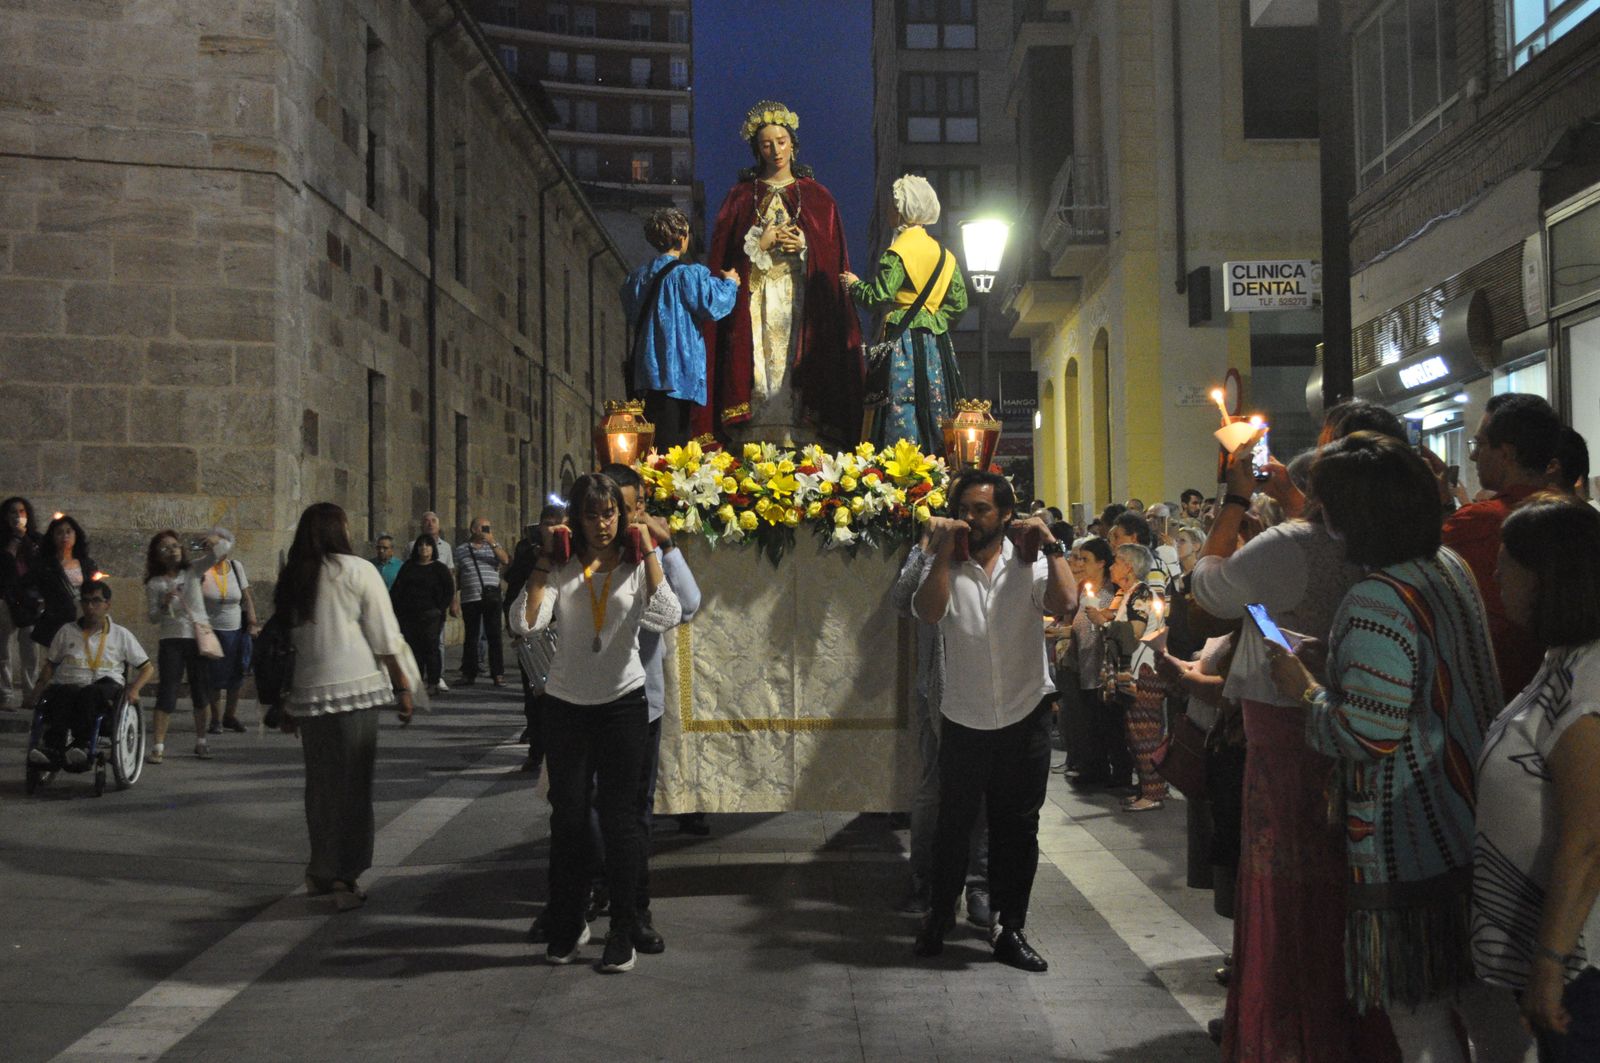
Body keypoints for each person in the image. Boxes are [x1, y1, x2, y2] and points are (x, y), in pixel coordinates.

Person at [1267, 432, 1501, 1061]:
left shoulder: (1375, 597)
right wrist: (1337, 662)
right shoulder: (1448, 568)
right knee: (1482, 1005)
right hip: (1468, 819)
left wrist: (1307, 688)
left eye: (1326, 506)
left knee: (1420, 1017)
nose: (1320, 520)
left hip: (1408, 841)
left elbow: (1365, 735)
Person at [1191, 424, 1388, 1063]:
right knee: (1338, 880)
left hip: (1286, 722)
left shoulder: (1285, 542)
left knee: (1283, 884)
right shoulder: (1379, 544)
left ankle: (1285, 1032)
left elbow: (1209, 586)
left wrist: (1235, 500)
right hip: (1355, 720)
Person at [510, 473, 680, 973]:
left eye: (610, 513)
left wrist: (647, 546)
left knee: (620, 821)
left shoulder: (632, 563)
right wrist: (544, 559)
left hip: (622, 703)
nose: (603, 523)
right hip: (565, 705)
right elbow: (524, 624)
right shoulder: (561, 566)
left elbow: (667, 613)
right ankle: (567, 923)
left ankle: (622, 930)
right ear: (576, 520)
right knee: (568, 820)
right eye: (592, 514)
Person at [912, 470, 1076, 971]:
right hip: (964, 716)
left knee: (1017, 830)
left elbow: (1066, 603)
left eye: (981, 509)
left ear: (1006, 514)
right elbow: (927, 610)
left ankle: (1011, 928)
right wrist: (942, 549)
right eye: (964, 507)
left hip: (1024, 715)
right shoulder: (946, 562)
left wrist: (1051, 545)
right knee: (953, 827)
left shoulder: (1027, 562)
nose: (969, 517)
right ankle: (940, 916)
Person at [1473, 496, 1600, 1062]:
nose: (1495, 578)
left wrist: (1549, 962)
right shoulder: (1563, 659)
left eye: (1506, 567)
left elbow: (1589, 835)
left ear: (1548, 578)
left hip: (1582, 961)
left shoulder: (1590, 678)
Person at [695, 100, 863, 446]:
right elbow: (723, 263)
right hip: (755, 303)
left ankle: (801, 432)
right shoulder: (740, 197)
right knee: (759, 366)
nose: (776, 150)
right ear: (757, 149)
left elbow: (832, 261)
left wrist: (805, 245)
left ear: (793, 143)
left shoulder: (819, 198)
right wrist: (758, 245)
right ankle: (755, 433)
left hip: (798, 302)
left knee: (794, 365)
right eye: (767, 144)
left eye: (782, 141)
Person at [275, 503, 415, 912]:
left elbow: (286, 640)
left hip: (309, 692)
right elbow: (385, 633)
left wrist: (286, 698)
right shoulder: (357, 570)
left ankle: (320, 869)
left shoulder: (296, 575)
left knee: (320, 787)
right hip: (355, 689)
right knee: (353, 786)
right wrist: (402, 685)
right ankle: (344, 875)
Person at [598, 462, 700, 953]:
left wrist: (666, 547)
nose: (620, 515)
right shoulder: (587, 553)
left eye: (630, 505)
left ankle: (635, 908)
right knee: (581, 807)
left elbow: (689, 604)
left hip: (642, 702)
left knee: (635, 812)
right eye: (610, 505)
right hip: (584, 701)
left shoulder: (649, 554)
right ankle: (588, 892)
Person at [892, 525, 992, 928]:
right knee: (933, 790)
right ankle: (926, 880)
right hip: (937, 689)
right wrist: (926, 547)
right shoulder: (932, 556)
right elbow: (902, 599)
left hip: (984, 693)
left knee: (983, 794)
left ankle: (980, 885)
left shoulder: (992, 558)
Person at [1445, 394, 1561, 704]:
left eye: (1480, 445)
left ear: (1506, 453)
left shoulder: (1477, 522)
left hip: (1496, 692)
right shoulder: (1580, 518)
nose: (1474, 457)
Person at [842, 173, 968, 453]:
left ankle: (901, 462)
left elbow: (879, 296)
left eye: (892, 204)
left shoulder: (897, 252)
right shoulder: (946, 255)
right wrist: (932, 316)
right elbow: (959, 302)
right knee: (938, 400)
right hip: (936, 343)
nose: (889, 209)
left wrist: (854, 286)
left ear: (901, 209)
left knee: (900, 399)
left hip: (903, 340)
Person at [622, 207, 739, 448]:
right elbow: (711, 303)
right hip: (679, 371)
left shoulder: (636, 279)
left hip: (645, 373)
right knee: (675, 443)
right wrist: (731, 283)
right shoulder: (687, 275)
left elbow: (632, 313)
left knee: (652, 443)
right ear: (682, 237)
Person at [23, 579, 153, 767]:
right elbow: (51, 664)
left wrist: (134, 689)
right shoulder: (67, 631)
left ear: (107, 605)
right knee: (62, 693)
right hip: (70, 683)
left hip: (105, 685)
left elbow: (147, 668)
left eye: (96, 601)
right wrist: (37, 690)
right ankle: (52, 747)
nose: (90, 606)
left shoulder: (120, 635)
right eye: (85, 601)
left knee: (90, 693)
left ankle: (81, 745)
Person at [1091, 543, 1168, 812]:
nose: (1111, 566)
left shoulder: (1140, 595)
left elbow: (1133, 632)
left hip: (1143, 672)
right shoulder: (1129, 594)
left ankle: (1154, 792)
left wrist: (1104, 623)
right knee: (1135, 732)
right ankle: (1148, 787)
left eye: (1116, 562)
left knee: (1144, 732)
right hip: (1135, 671)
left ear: (1129, 567)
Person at [504, 503, 568, 774]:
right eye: (547, 523)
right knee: (534, 693)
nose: (552, 528)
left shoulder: (569, 553)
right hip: (532, 630)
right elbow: (515, 583)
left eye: (557, 522)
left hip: (559, 630)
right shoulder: (526, 551)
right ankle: (536, 749)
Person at [142, 531, 211, 763]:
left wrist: (213, 540)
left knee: (200, 689)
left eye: (174, 546)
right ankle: (158, 745)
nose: (171, 550)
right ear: (157, 556)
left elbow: (220, 553)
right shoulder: (156, 583)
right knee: (168, 690)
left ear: (181, 549)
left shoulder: (192, 573)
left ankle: (202, 741)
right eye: (165, 548)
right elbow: (152, 617)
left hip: (196, 637)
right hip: (171, 639)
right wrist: (163, 604)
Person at [1064, 537, 1118, 790]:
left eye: (1085, 559)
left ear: (1101, 563)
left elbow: (1108, 625)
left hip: (1100, 666)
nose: (1080, 564)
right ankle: (1091, 766)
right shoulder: (1084, 590)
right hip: (1082, 663)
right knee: (1086, 720)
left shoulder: (1110, 593)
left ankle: (1102, 770)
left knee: (1100, 721)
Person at [197, 528, 258, 746]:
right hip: (212, 629)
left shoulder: (236, 567)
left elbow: (246, 595)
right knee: (214, 676)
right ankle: (215, 718)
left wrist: (252, 618)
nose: (216, 550)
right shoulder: (202, 569)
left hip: (236, 628)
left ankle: (230, 715)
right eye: (212, 546)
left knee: (237, 674)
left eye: (219, 545)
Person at [389, 534, 454, 695]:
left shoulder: (439, 568)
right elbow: (398, 589)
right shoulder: (408, 567)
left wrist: (440, 608)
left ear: (433, 548)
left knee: (431, 648)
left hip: (431, 615)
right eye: (421, 545)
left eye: (427, 545)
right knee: (413, 649)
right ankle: (416, 681)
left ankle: (433, 681)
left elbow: (449, 590)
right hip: (409, 615)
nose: (424, 548)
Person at [29, 513, 96, 654]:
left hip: (81, 617)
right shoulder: (45, 565)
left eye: (68, 532)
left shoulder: (86, 564)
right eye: (59, 533)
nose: (65, 536)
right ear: (53, 537)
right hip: (56, 620)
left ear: (75, 535)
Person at [455, 516, 508, 686]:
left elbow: (505, 560)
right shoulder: (461, 549)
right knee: (471, 637)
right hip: (470, 598)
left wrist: (492, 543)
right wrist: (454, 599)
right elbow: (457, 575)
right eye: (484, 528)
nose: (487, 531)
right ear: (473, 529)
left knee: (494, 636)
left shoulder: (493, 546)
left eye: (489, 528)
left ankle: (498, 674)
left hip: (491, 598)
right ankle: (469, 673)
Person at [1, 496, 43, 708]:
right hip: (5, 598)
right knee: (3, 650)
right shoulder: (4, 541)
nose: (17, 516)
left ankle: (30, 694)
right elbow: (5, 564)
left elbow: (43, 568)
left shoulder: (37, 540)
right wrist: (15, 539)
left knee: (30, 648)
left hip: (29, 601)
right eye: (12, 512)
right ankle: (5, 694)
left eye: (22, 511)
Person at [419, 511, 458, 692]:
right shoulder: (413, 545)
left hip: (437, 603)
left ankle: (438, 676)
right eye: (426, 521)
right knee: (418, 642)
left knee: (438, 641)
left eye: (433, 521)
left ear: (439, 525)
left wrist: (453, 601)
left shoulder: (446, 547)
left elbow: (450, 576)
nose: (430, 524)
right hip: (419, 604)